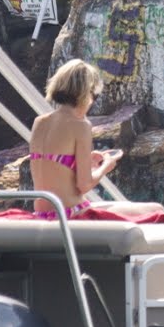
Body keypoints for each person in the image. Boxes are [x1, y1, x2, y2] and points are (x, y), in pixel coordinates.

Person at [28, 59, 124, 217]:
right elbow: (84, 185)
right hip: (70, 214)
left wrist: (82, 161)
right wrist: (105, 166)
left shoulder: (40, 122)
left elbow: (51, 166)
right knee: (155, 208)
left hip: (42, 214)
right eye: (95, 95)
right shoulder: (81, 125)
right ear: (87, 93)